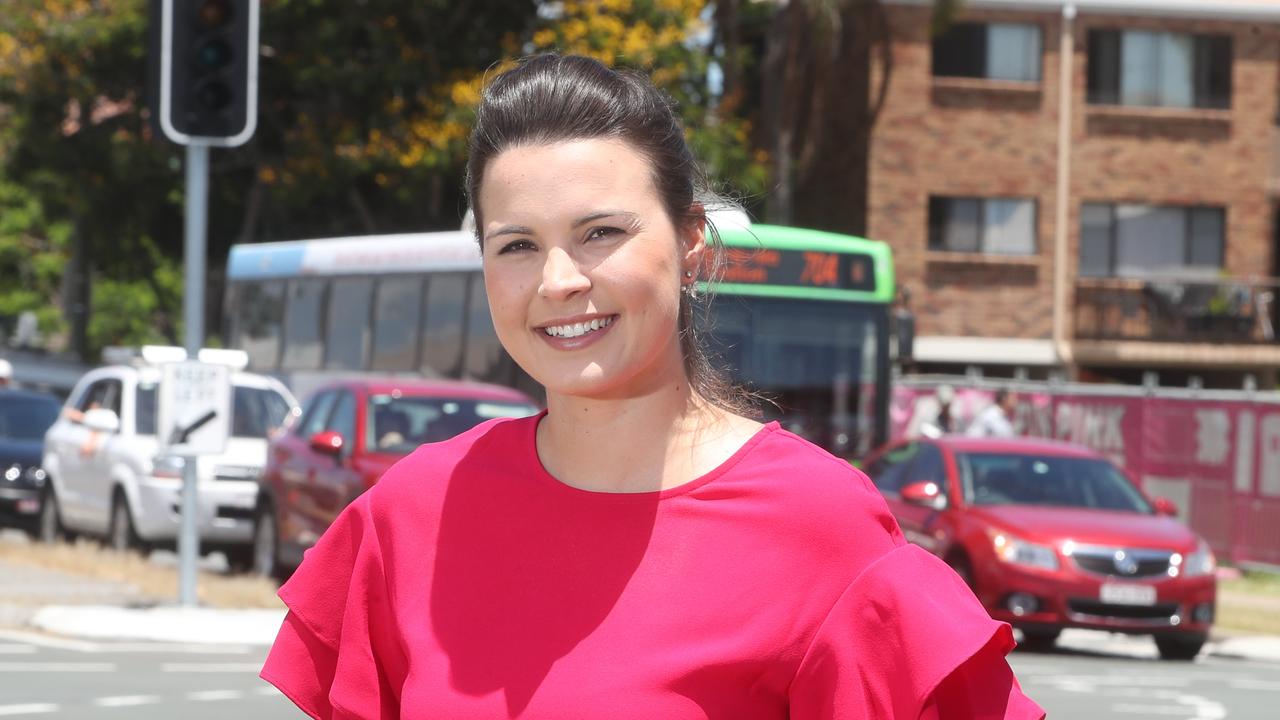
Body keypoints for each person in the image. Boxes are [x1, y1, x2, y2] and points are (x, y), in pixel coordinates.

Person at [261, 54, 1044, 719]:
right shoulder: (411, 516)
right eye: (518, 245)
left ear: (692, 241)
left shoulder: (822, 531)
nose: (559, 280)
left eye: (601, 233)